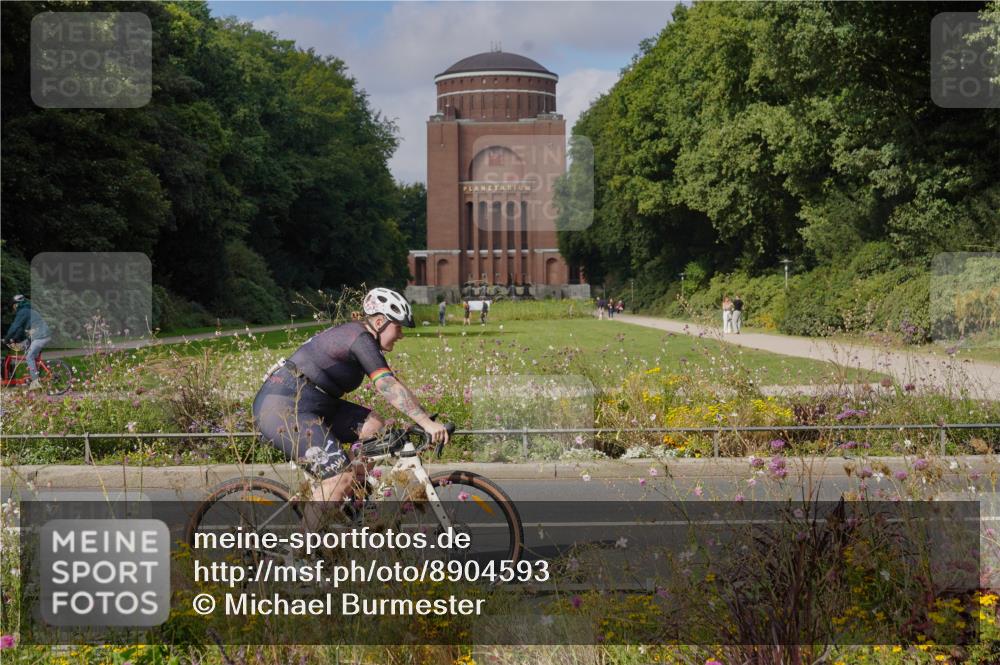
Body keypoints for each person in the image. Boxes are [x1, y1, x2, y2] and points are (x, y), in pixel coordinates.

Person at [252, 288, 450, 508]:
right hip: (283, 408)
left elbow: (394, 385)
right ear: (379, 322)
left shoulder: (362, 337)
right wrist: (426, 423)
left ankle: (346, 498)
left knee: (373, 424)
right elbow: (387, 385)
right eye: (399, 327)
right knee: (340, 477)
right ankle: (306, 539)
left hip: (317, 404)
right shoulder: (360, 339)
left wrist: (425, 420)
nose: (401, 334)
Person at [2, 294, 51, 391]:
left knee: (29, 357)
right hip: (40, 336)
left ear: (16, 304)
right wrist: (14, 338)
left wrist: (7, 339)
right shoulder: (28, 311)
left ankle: (35, 383)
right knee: (27, 350)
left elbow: (14, 327)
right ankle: (33, 376)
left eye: (13, 305)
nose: (13, 308)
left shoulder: (23, 312)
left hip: (40, 336)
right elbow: (20, 329)